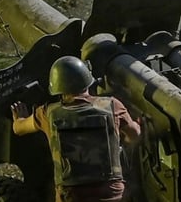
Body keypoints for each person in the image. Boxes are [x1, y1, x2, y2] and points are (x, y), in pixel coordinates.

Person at [11, 56, 141, 202]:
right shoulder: (113, 106)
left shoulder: (47, 113)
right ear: (87, 80)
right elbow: (134, 135)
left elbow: (18, 129)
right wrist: (134, 125)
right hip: (111, 193)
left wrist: (19, 118)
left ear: (57, 88)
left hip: (72, 196)